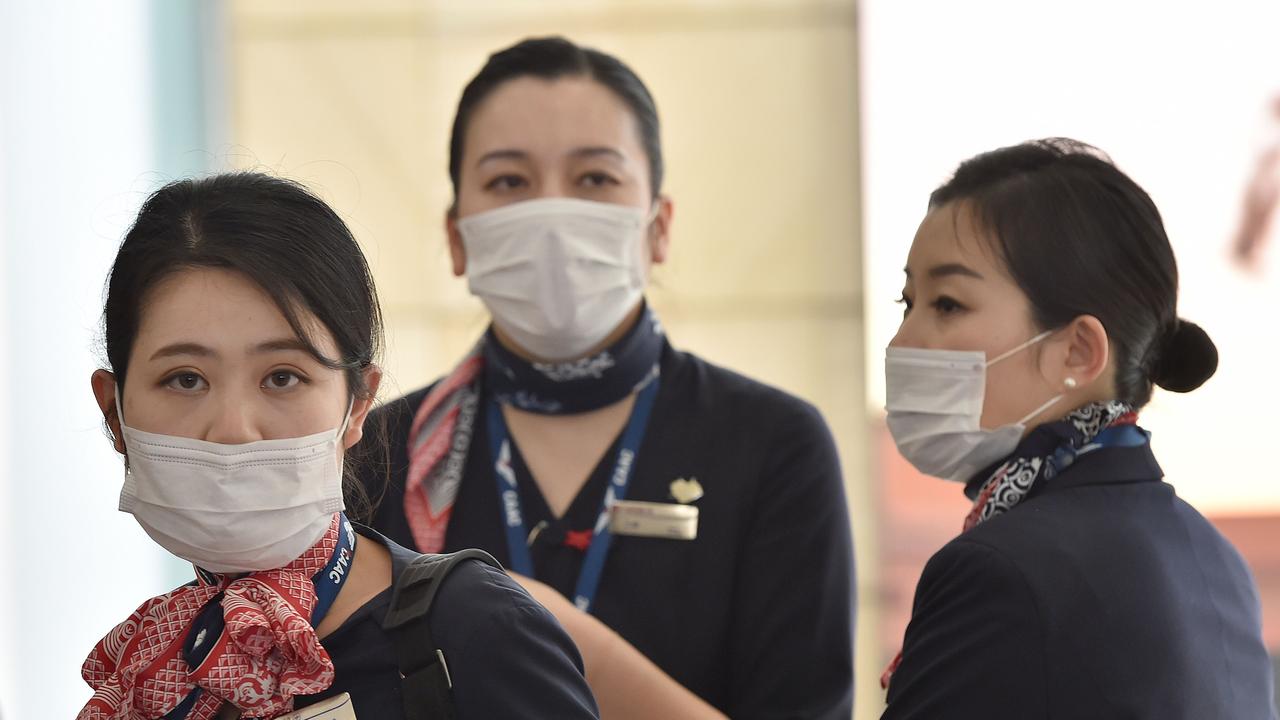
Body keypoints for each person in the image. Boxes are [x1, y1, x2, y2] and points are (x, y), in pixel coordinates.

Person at [355, 36, 855, 719]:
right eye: (509, 182)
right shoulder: (378, 450)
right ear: (456, 237)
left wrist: (568, 644)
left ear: (659, 227)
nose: (553, 214)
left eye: (594, 178)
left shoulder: (772, 443)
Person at [79, 173, 600, 719]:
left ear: (356, 405)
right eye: (185, 379)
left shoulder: (473, 631)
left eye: (282, 377)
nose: (233, 428)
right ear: (114, 411)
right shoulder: (148, 669)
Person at [879, 138, 1277, 719]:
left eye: (946, 304)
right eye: (906, 301)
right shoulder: (1210, 556)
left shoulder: (1002, 568)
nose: (902, 342)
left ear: (1077, 351)